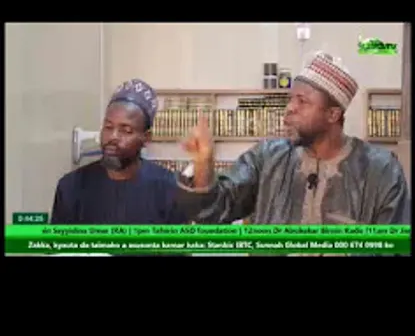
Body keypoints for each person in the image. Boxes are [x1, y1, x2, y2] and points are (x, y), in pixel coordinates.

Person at [175, 53, 410, 226]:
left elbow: (394, 246)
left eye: (302, 101)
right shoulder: (267, 158)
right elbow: (215, 209)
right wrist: (203, 164)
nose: (289, 108)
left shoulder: (382, 170)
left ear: (333, 114)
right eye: (290, 99)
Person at [51, 79, 187, 224]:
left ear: (146, 138)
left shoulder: (168, 188)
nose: (113, 137)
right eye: (108, 127)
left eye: (126, 130)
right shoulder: (71, 187)